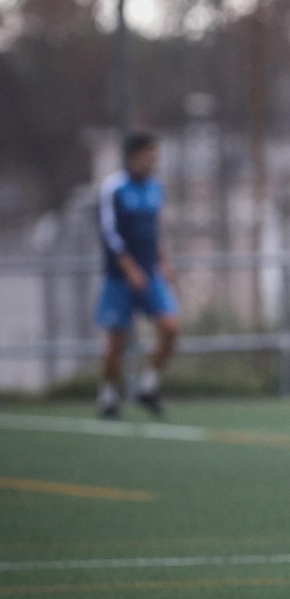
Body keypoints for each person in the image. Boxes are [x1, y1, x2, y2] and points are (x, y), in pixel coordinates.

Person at [96, 132, 179, 418]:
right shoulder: (114, 188)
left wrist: (163, 262)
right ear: (134, 156)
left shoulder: (156, 188)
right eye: (150, 156)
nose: (154, 162)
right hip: (119, 276)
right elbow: (109, 232)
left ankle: (148, 387)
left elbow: (154, 230)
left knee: (171, 328)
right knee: (116, 340)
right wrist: (128, 267)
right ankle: (107, 396)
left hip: (150, 274)